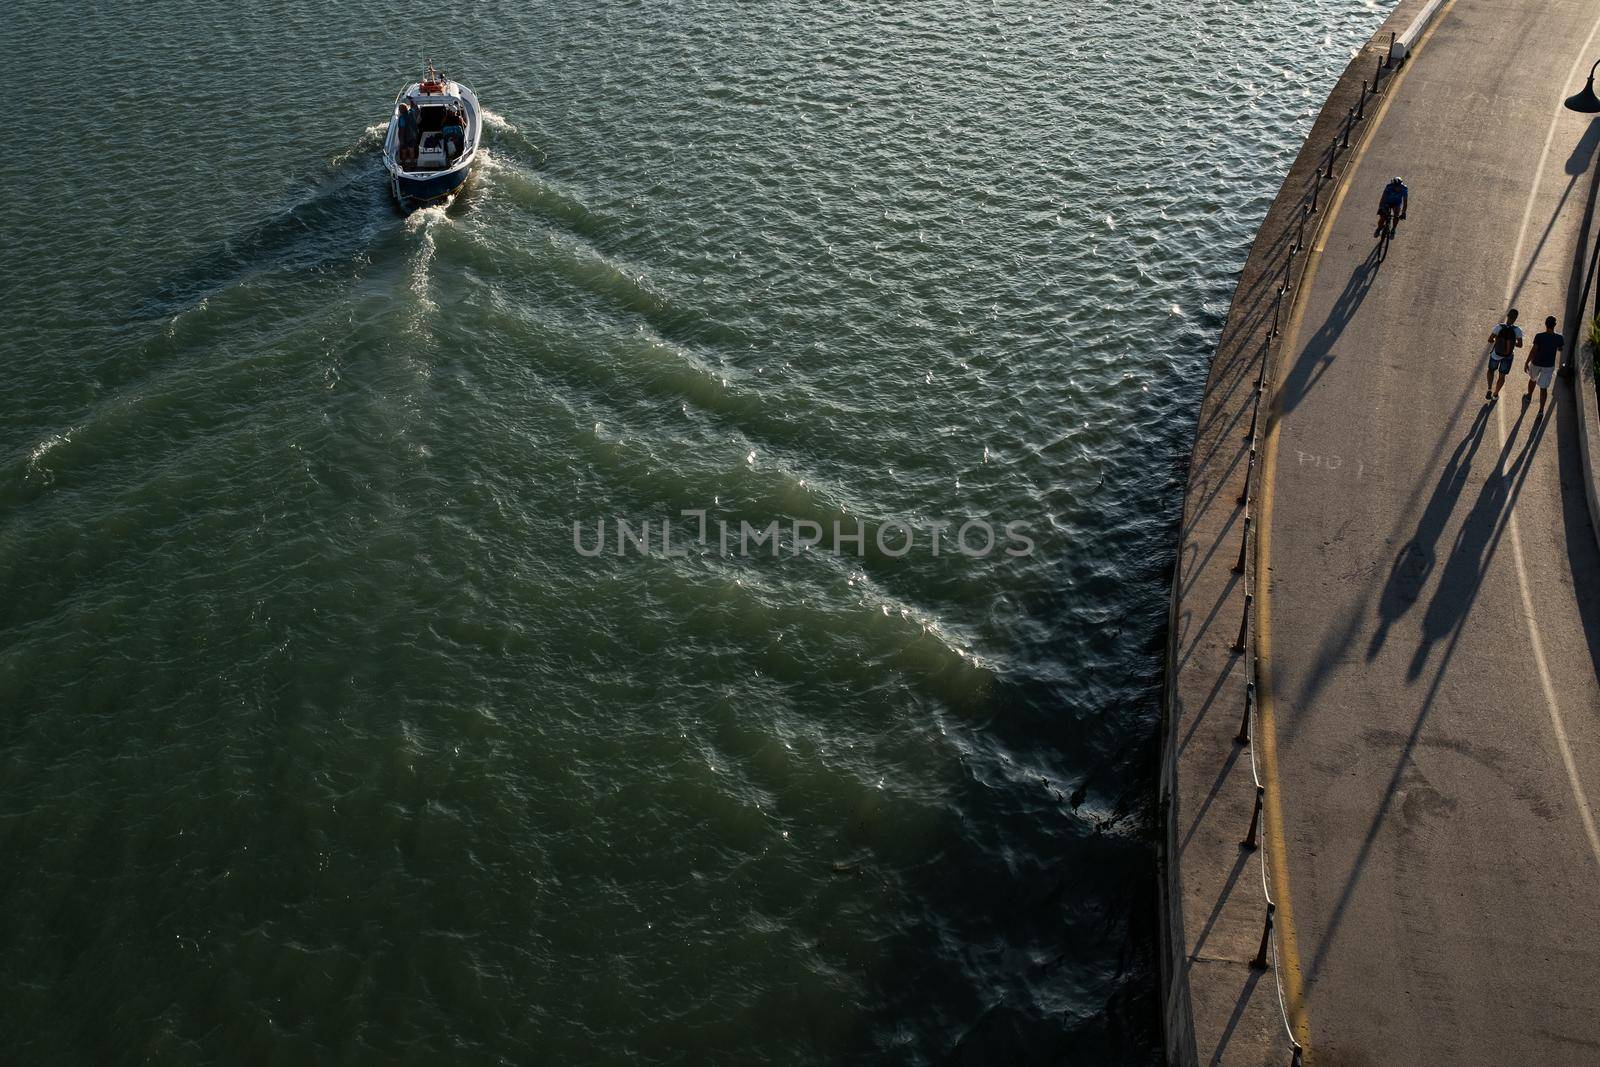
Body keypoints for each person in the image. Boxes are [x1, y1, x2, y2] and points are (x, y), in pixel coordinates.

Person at [1524, 314, 1564, 415]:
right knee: (1543, 388)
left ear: (1545, 324)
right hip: (1549, 366)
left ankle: (1529, 396)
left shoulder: (1539, 336)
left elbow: (1533, 350)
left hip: (1536, 362)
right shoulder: (1559, 338)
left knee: (1532, 379)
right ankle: (1541, 410)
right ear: (1555, 325)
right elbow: (1560, 348)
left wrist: (1527, 362)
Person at [1486, 308, 1523, 401]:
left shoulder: (1499, 327)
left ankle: (1489, 389)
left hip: (1496, 354)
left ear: (1507, 316)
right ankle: (1495, 394)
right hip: (1508, 356)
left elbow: (1490, 340)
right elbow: (1520, 345)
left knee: (1491, 370)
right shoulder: (1517, 330)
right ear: (1516, 318)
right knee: (1502, 376)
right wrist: (1511, 343)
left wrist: (1498, 340)